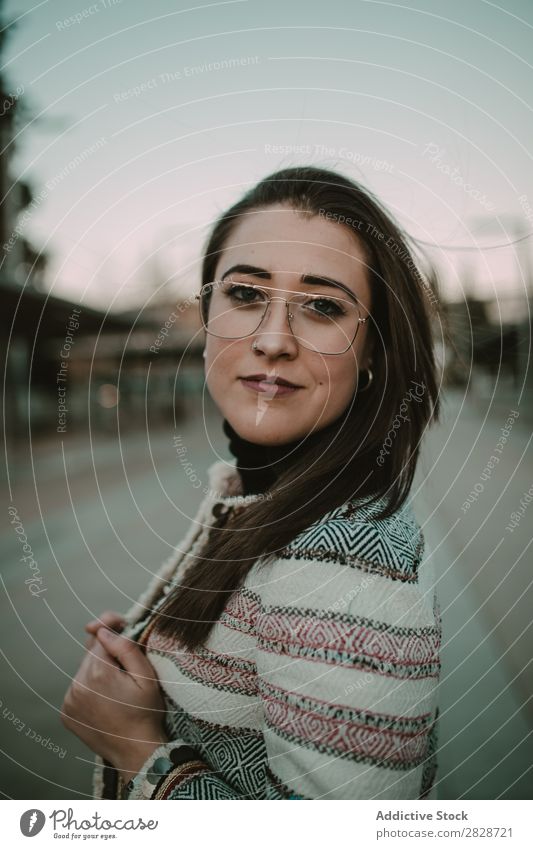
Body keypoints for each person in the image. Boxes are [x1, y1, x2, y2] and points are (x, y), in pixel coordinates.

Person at [61, 165, 442, 800]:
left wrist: (138, 747)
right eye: (245, 294)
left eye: (322, 307)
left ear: (373, 348)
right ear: (207, 313)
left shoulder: (344, 561)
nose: (273, 341)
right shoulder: (252, 492)